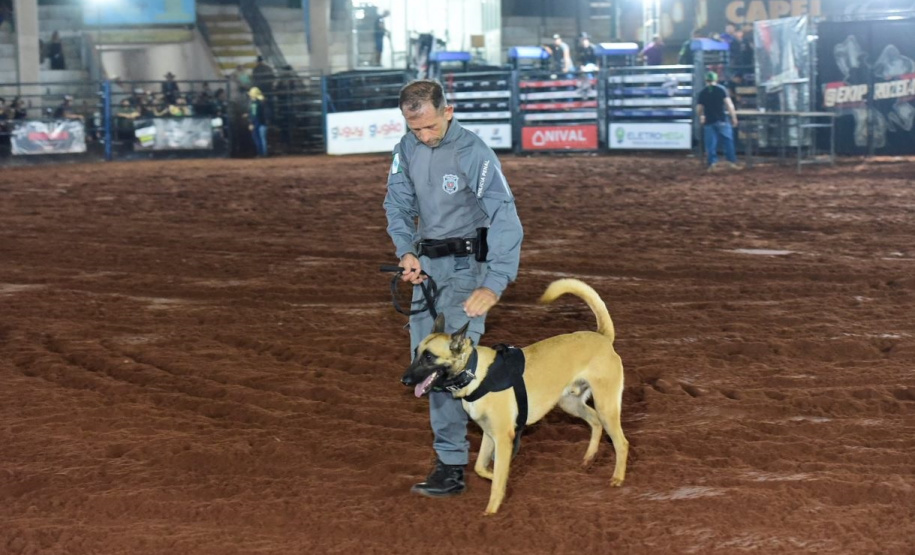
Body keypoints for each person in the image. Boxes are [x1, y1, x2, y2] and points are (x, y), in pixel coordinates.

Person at [383, 80, 523, 499]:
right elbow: (398, 203)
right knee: (426, 363)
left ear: (448, 110)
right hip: (426, 270)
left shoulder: (473, 152)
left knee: (447, 366)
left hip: (467, 270)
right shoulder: (406, 148)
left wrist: (494, 282)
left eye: (429, 127)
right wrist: (406, 252)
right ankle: (465, 451)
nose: (424, 137)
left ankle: (459, 458)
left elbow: (504, 214)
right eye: (415, 129)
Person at [696, 71, 739, 171]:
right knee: (728, 141)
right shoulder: (721, 90)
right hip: (722, 119)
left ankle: (712, 164)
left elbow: (699, 109)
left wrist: (701, 116)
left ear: (706, 80)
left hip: (709, 121)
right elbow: (729, 105)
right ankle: (731, 162)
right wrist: (734, 117)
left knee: (710, 144)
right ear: (716, 79)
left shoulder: (703, 92)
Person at [247, 86, 267, 157]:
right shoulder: (260, 102)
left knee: (257, 138)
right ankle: (262, 153)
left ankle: (260, 153)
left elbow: (254, 114)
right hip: (261, 122)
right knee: (262, 138)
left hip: (257, 122)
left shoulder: (254, 103)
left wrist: (251, 123)